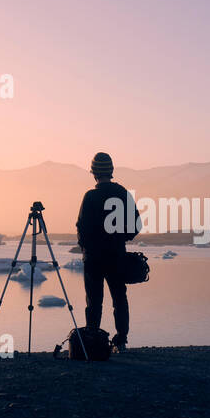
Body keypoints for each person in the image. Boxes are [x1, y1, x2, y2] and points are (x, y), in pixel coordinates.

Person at [76, 151, 141, 352]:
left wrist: (86, 247)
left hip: (94, 258)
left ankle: (93, 341)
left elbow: (82, 227)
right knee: (119, 299)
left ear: (94, 172)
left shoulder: (90, 196)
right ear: (111, 171)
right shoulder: (122, 193)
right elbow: (135, 225)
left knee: (94, 301)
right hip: (116, 255)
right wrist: (121, 238)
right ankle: (121, 341)